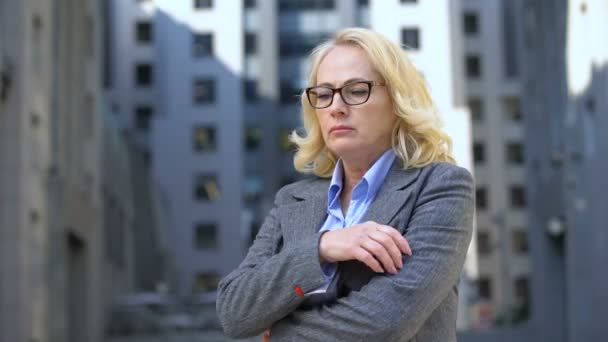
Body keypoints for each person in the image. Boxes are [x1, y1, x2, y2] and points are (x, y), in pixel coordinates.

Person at [216, 27, 474, 341]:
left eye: (355, 90)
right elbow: (235, 312)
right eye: (324, 95)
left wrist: (281, 330)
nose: (336, 107)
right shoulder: (293, 200)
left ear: (397, 100)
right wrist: (322, 247)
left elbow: (386, 321)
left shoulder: (441, 187)